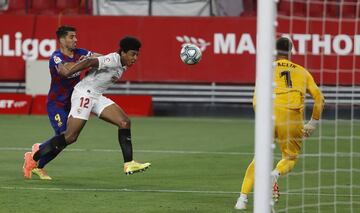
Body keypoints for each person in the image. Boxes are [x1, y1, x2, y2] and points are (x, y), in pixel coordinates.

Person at [23, 36, 151, 180]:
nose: (135, 58)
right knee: (70, 136)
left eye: (137, 55)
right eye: (132, 54)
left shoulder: (122, 64)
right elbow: (90, 61)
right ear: (123, 52)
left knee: (124, 122)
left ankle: (129, 163)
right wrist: (69, 71)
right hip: (84, 94)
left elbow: (93, 66)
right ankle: (34, 156)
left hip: (96, 96)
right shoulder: (113, 59)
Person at [234, 37, 325, 210]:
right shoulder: (302, 71)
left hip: (268, 115)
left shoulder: (266, 69)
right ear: (291, 52)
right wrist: (313, 123)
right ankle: (275, 174)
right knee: (289, 157)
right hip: (292, 118)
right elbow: (319, 98)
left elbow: (255, 100)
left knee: (259, 158)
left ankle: (242, 200)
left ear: (274, 52)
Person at [22, 25, 93, 180]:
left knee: (68, 139)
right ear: (62, 40)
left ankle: (38, 163)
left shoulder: (81, 53)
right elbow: (64, 70)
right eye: (71, 37)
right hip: (57, 104)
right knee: (63, 135)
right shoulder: (56, 57)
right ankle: (34, 157)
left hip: (73, 104)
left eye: (75, 36)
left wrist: (111, 60)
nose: (76, 39)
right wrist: (87, 63)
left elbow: (99, 58)